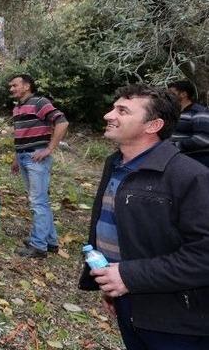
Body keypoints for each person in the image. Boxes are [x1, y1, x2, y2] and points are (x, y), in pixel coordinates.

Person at [79, 84, 209, 349]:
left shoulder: (189, 176)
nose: (108, 115)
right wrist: (112, 283)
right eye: (113, 107)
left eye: (122, 110)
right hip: (129, 304)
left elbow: (204, 255)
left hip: (178, 322)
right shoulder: (114, 164)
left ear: (153, 125)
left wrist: (129, 276)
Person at [9, 74, 69, 258]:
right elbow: (20, 135)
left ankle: (38, 245)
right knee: (40, 200)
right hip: (24, 156)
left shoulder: (39, 102)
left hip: (36, 157)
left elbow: (62, 122)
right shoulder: (17, 108)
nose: (11, 89)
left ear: (27, 86)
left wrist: (49, 148)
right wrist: (16, 158)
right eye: (10, 86)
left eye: (14, 85)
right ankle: (50, 241)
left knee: (38, 202)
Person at [167, 80, 209, 167]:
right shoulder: (175, 113)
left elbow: (202, 139)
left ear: (183, 94)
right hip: (179, 160)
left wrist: (173, 147)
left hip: (197, 162)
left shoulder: (199, 112)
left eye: (171, 92)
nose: (168, 95)